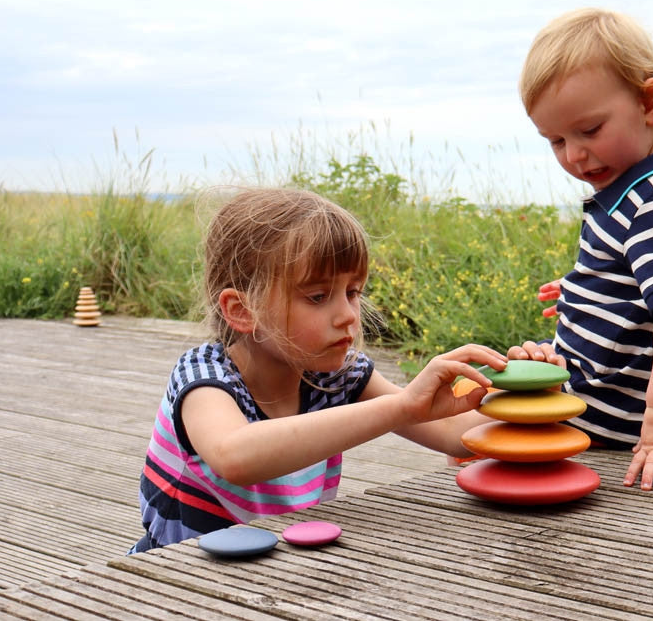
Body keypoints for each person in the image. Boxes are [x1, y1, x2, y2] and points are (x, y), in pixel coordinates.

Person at [129, 188, 505, 553]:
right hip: (177, 572)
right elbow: (234, 456)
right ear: (242, 311)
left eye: (353, 292)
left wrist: (522, 388)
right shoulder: (203, 377)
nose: (348, 315)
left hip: (285, 568)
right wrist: (403, 406)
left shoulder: (338, 376)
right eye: (318, 296)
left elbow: (458, 435)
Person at [509, 8, 653, 492]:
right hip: (599, 395)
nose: (574, 155)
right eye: (556, 140)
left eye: (589, 130)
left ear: (650, 103)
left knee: (468, 424)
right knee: (485, 397)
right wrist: (589, 290)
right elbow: (644, 278)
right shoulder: (640, 190)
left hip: (609, 411)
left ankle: (373, 404)